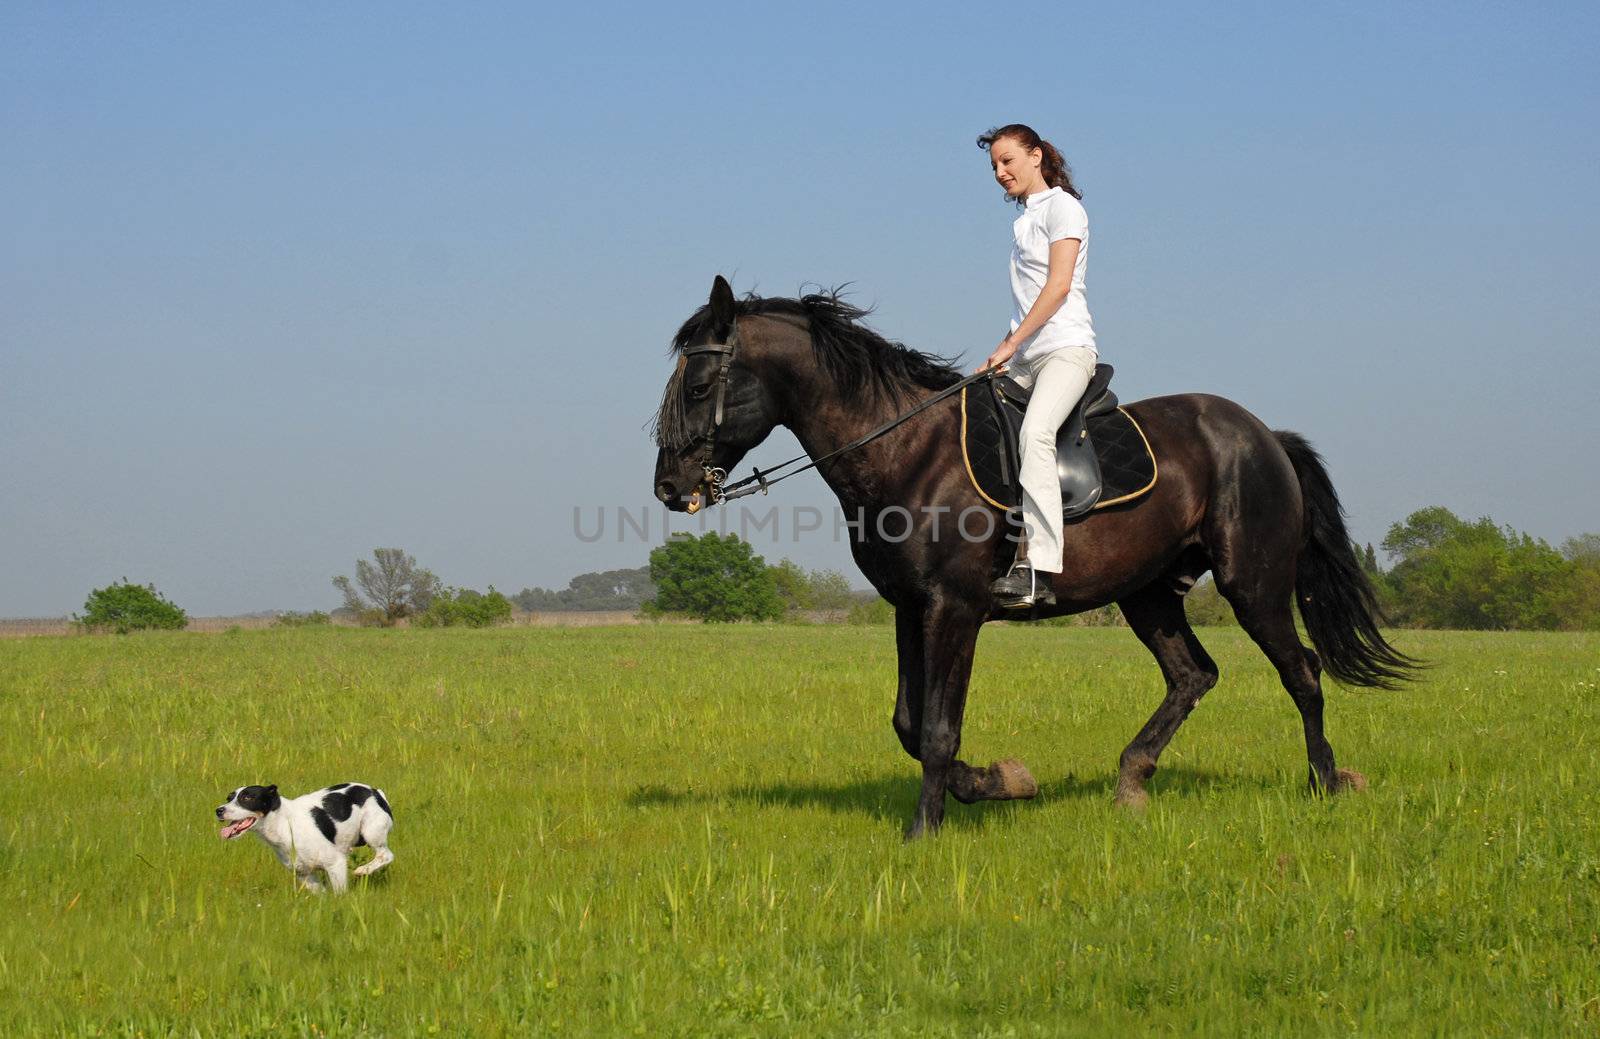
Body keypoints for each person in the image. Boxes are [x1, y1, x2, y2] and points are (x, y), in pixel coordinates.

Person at [975, 123, 1098, 609]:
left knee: (1035, 435)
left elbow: (1059, 286)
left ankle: (1038, 569)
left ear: (1037, 155)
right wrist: (1005, 349)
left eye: (1007, 161)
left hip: (1067, 351)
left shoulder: (1064, 208)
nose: (1000, 173)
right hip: (1026, 355)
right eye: (994, 167)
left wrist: (1012, 343)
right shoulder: (1024, 219)